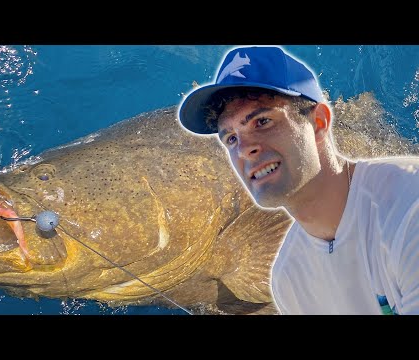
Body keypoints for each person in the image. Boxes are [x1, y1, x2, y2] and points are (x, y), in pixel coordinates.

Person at [177, 45, 419, 315]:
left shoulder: (409, 205)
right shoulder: (288, 279)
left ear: (318, 122)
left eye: (263, 121)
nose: (244, 148)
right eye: (231, 138)